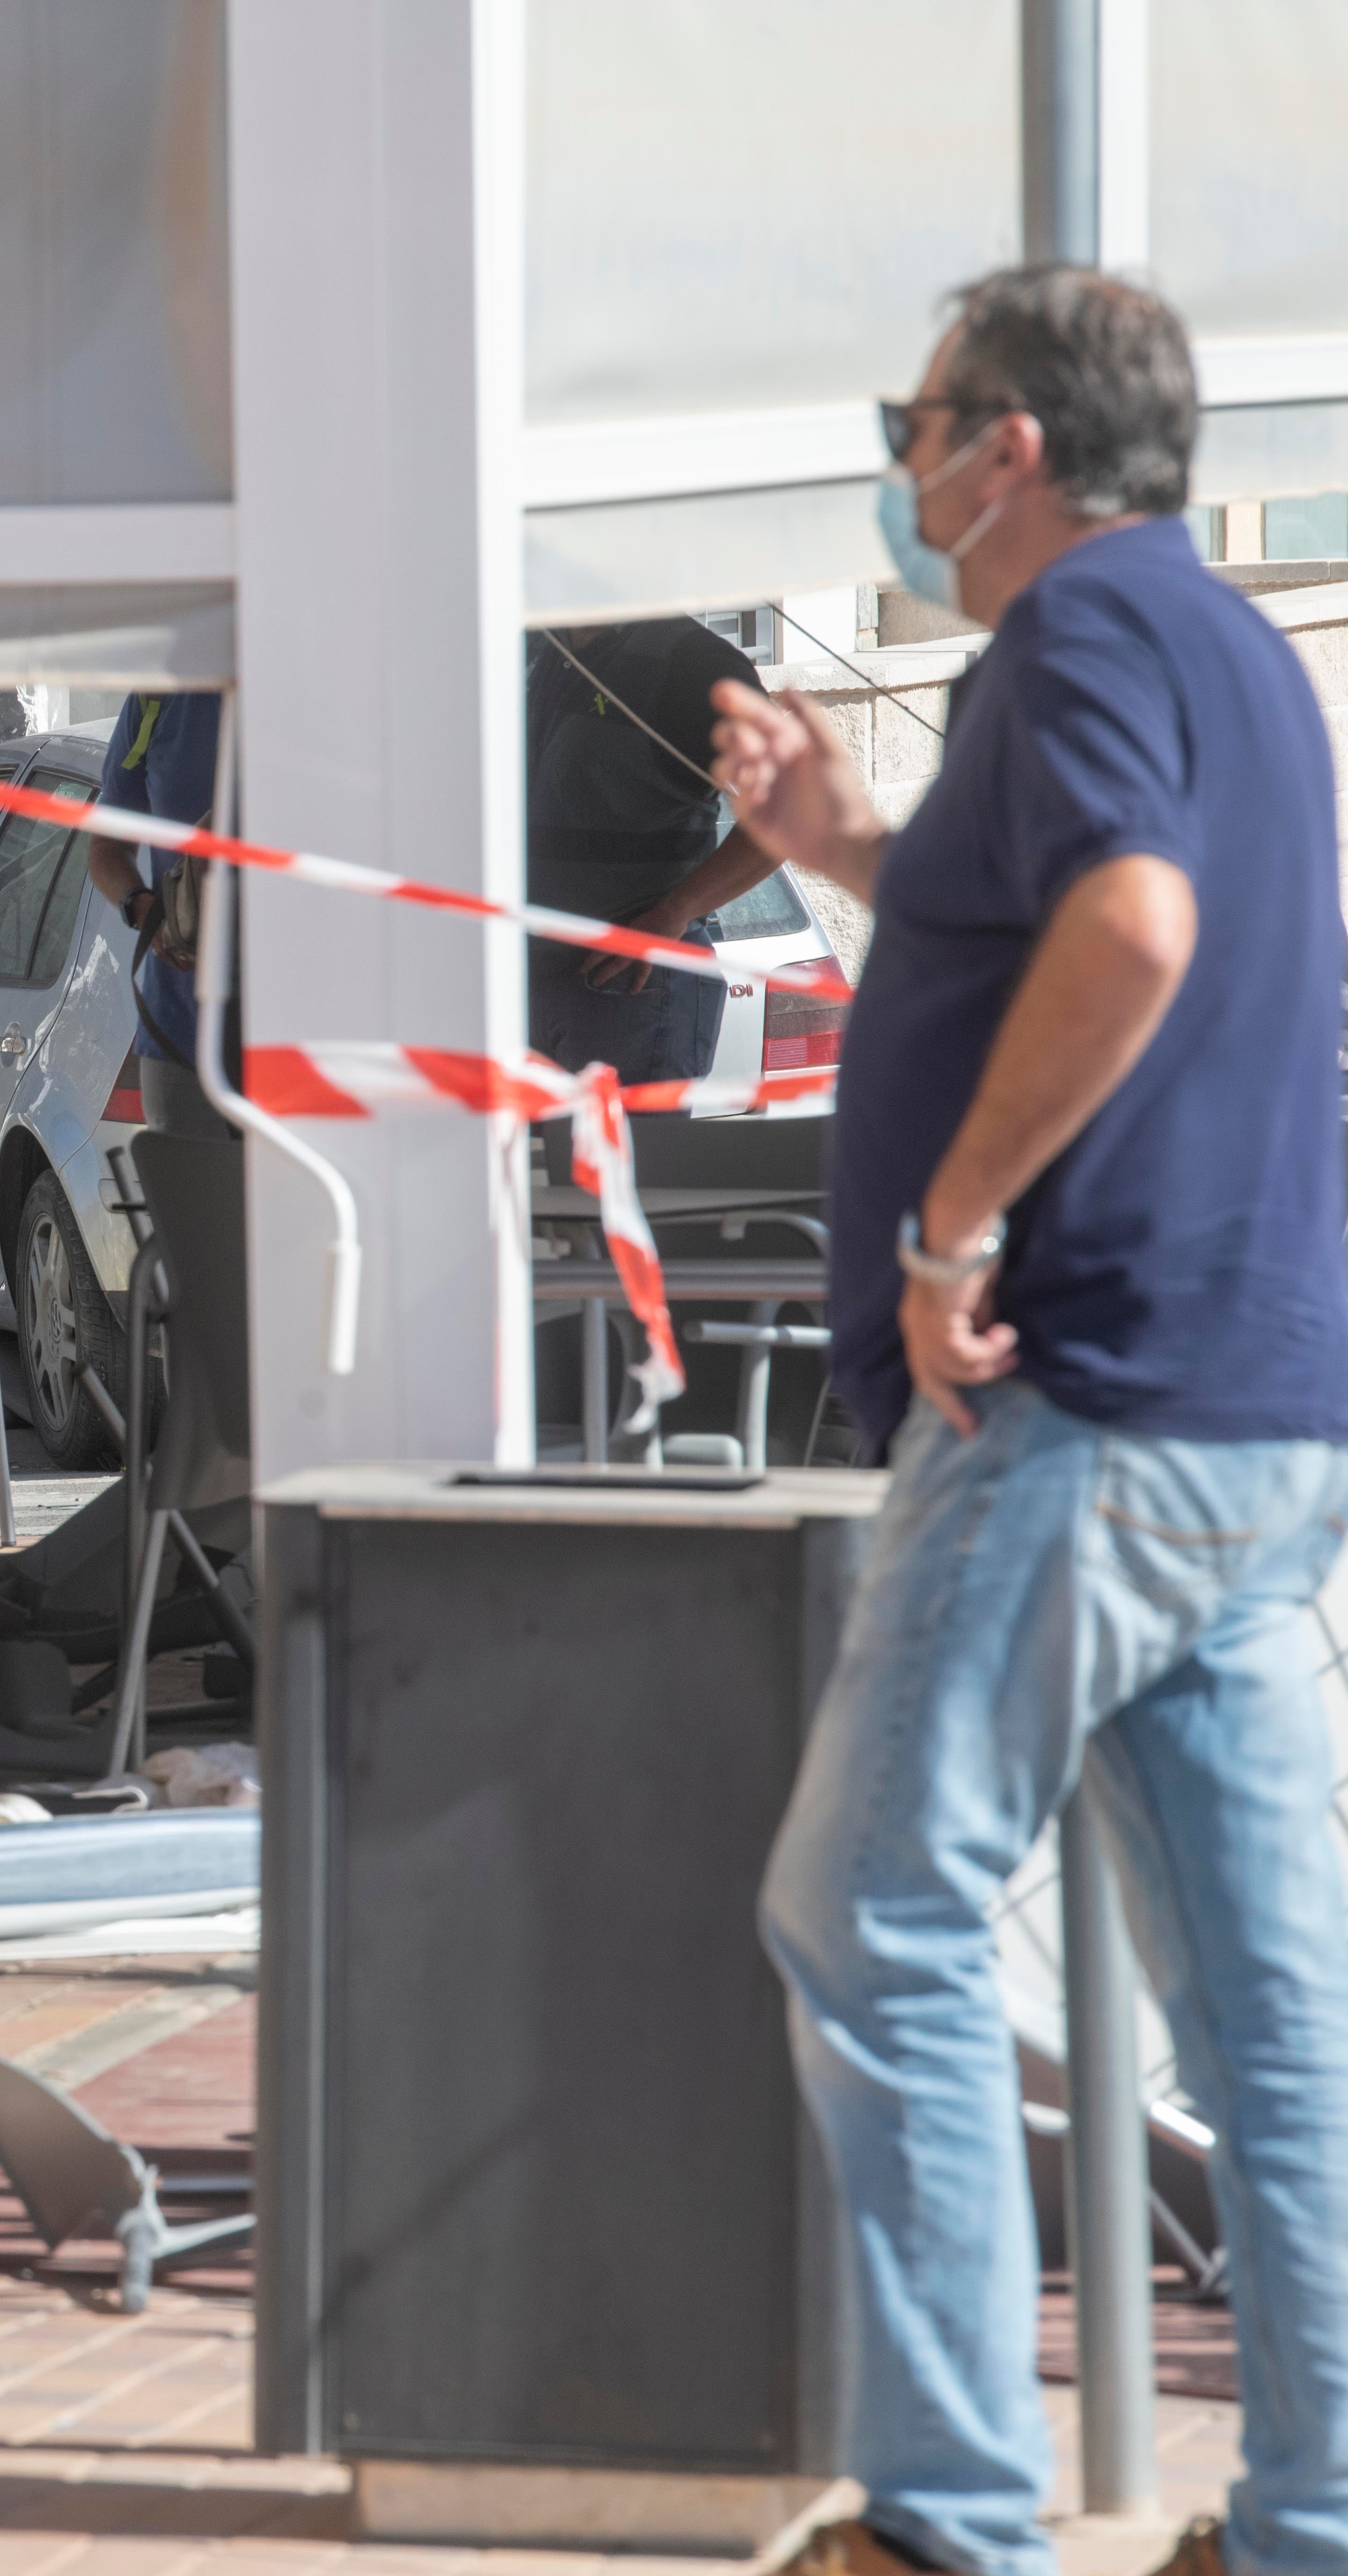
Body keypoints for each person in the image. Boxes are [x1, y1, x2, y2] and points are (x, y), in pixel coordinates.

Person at [718, 268, 1348, 2576]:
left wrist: (952, 1222)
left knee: (867, 1914)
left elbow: (1136, 926)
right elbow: (1043, 915)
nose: (896, 459)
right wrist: (837, 838)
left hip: (1080, 1392)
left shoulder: (1073, 642)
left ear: (1007, 450)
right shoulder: (1228, 659)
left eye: (915, 417)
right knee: (1269, 2023)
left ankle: (947, 2517)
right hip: (1254, 1411)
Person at [523, 617, 776, 1085]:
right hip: (523, 981)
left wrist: (676, 911)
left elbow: (787, 813)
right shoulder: (533, 648)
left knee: (635, 1162)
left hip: (629, 994)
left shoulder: (690, 663)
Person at [76, 689, 233, 1132]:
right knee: (190, 1198)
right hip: (182, 1036)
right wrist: (144, 911)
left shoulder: (326, 684)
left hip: (302, 1040)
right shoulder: (157, 699)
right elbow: (106, 849)